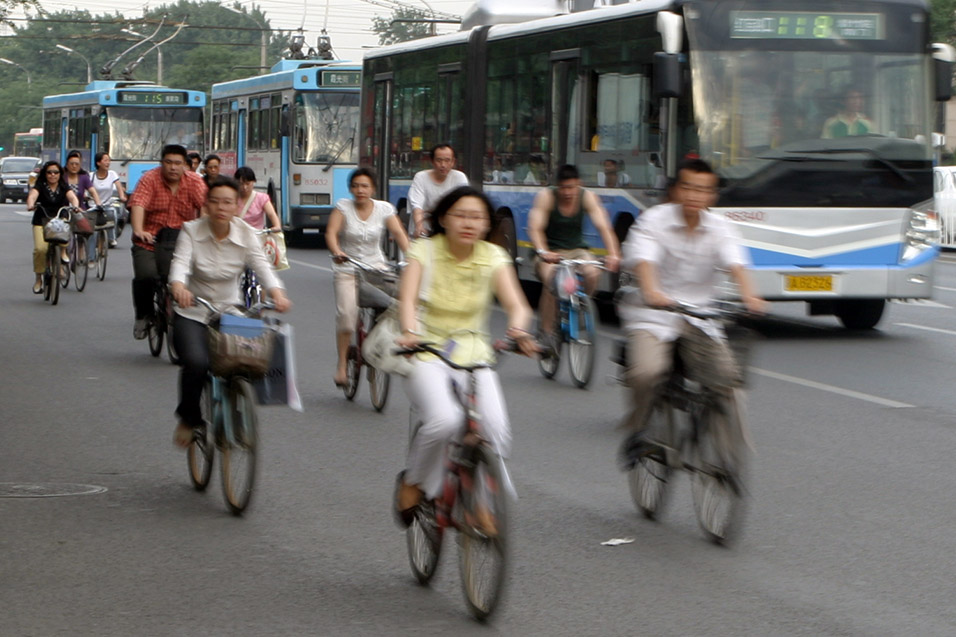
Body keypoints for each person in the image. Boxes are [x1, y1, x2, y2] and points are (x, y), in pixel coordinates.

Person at [393, 186, 536, 527]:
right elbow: (408, 300)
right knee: (445, 420)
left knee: (497, 429)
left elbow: (517, 306)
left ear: (488, 224)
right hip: (425, 351)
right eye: (461, 215)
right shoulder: (424, 250)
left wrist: (518, 332)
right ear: (444, 218)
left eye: (478, 217)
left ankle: (481, 504)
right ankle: (414, 482)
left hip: (476, 356)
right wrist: (410, 332)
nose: (469, 223)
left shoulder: (494, 257)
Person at [618, 158, 766, 464]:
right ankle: (639, 429)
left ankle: (725, 461)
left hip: (700, 317)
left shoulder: (721, 227)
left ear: (712, 196)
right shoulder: (655, 220)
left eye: (703, 190)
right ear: (677, 190)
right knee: (647, 372)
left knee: (728, 380)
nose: (694, 195)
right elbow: (644, 258)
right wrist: (651, 291)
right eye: (688, 187)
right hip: (654, 314)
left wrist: (750, 295)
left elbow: (735, 261)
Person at [168, 176, 291, 448]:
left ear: (236, 206)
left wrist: (278, 293)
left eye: (228, 202)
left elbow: (262, 267)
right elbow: (179, 265)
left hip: (230, 310)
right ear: (207, 205)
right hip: (194, 311)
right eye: (215, 202)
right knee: (197, 363)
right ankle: (189, 419)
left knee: (248, 359)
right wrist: (179, 287)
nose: (221, 207)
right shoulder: (191, 231)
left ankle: (236, 406)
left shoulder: (246, 233)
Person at [326, 167, 410, 387]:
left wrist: (412, 259)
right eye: (355, 186)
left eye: (365, 186)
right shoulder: (343, 207)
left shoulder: (384, 209)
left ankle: (376, 349)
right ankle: (342, 366)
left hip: (376, 270)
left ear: (373, 188)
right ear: (350, 188)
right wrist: (337, 252)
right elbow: (331, 233)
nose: (360, 190)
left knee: (395, 306)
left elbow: (399, 234)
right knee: (346, 319)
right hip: (348, 269)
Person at [527, 163, 621, 339]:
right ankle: (546, 332)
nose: (567, 193)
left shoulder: (588, 197)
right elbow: (535, 228)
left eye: (571, 188)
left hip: (576, 249)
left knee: (593, 273)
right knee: (553, 281)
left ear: (579, 184)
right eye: (563, 188)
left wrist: (614, 254)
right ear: (557, 186)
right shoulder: (546, 197)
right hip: (550, 252)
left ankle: (580, 307)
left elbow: (604, 227)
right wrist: (543, 251)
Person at [127, 144, 208, 340]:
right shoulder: (149, 179)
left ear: (185, 165)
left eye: (178, 163)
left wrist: (204, 233)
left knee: (186, 280)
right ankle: (143, 315)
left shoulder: (195, 182)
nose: (173, 167)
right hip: (150, 239)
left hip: (182, 241)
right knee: (146, 275)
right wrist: (139, 230)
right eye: (169, 163)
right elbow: (138, 204)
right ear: (161, 163)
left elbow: (205, 207)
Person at [26, 161, 80, 294]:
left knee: (65, 230)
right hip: (41, 221)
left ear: (60, 174)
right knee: (40, 249)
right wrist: (31, 204)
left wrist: (75, 205)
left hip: (59, 220)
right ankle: (39, 279)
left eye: (56, 172)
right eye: (49, 172)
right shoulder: (40, 186)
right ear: (45, 174)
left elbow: (72, 197)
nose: (52, 175)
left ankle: (62, 252)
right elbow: (32, 196)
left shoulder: (63, 186)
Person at [407, 144, 469, 238]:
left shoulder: (459, 178)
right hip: (424, 233)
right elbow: (416, 204)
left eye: (447, 160)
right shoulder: (421, 177)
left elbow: (463, 204)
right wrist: (419, 225)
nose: (443, 165)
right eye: (439, 160)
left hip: (448, 233)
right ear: (432, 161)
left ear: (453, 162)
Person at [64, 151, 102, 266]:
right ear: (67, 165)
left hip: (80, 209)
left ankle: (83, 254)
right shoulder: (62, 177)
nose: (74, 166)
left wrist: (98, 204)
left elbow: (92, 191)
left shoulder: (84, 178)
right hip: (64, 211)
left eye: (77, 164)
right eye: (72, 164)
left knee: (86, 230)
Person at [91, 152, 128, 247]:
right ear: (98, 163)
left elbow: (118, 186)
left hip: (107, 205)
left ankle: (112, 238)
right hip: (93, 205)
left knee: (113, 214)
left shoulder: (112, 174)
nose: (108, 163)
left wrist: (122, 196)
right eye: (105, 160)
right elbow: (86, 188)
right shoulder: (91, 176)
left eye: (109, 160)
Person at [234, 166, 281, 231]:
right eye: (241, 184)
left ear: (254, 181)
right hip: (236, 236)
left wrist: (277, 226)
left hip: (256, 237)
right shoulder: (231, 198)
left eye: (248, 184)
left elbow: (271, 214)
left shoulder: (261, 198)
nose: (244, 187)